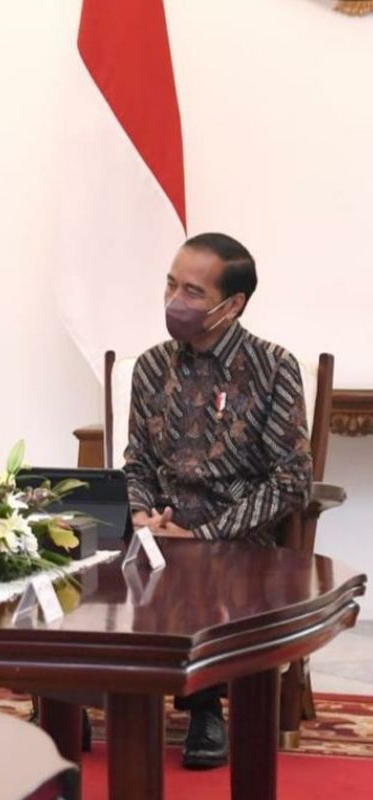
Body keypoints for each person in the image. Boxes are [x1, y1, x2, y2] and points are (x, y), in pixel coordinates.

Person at [123, 232, 313, 769]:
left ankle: (205, 706)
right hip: (159, 525)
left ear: (232, 306)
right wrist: (142, 513)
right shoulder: (151, 367)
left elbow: (292, 479)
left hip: (235, 534)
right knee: (94, 558)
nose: (173, 301)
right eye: (169, 283)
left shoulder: (273, 368)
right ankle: (83, 698)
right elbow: (136, 459)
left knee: (189, 564)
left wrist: (203, 534)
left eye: (191, 291)